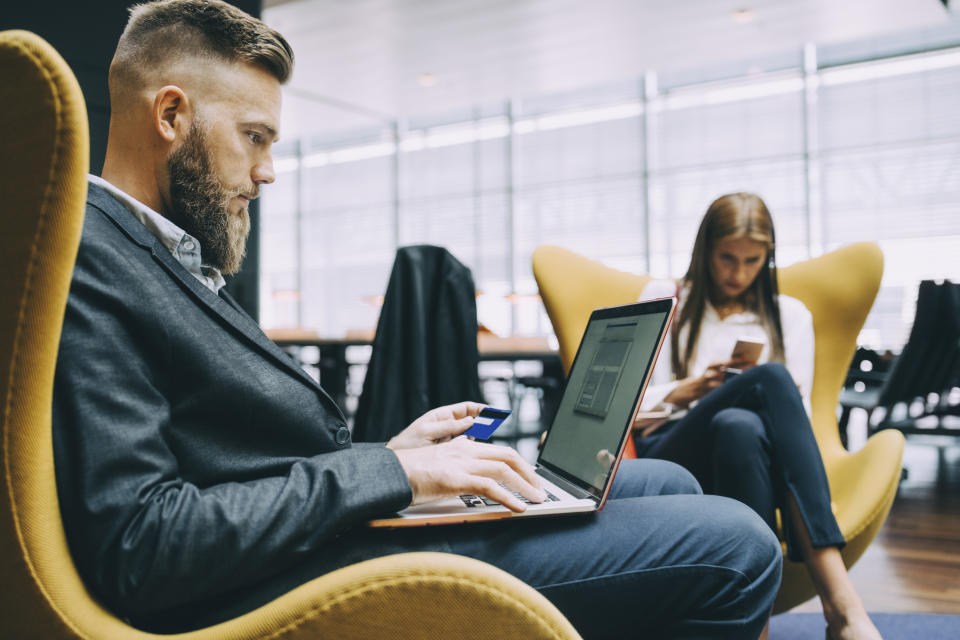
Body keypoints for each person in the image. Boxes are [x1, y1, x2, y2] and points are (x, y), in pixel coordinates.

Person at [51, 2, 783, 637]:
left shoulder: (162, 254)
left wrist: (394, 457)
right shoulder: (90, 260)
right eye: (255, 137)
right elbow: (142, 545)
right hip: (301, 583)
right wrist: (392, 472)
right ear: (172, 115)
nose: (268, 171)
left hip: (317, 540)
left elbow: (227, 457)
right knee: (739, 544)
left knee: (671, 485)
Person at [634, 192, 882, 640]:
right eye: (727, 257)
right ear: (705, 249)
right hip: (672, 452)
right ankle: (843, 605)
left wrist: (761, 397)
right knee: (769, 379)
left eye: (753, 260)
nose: (738, 273)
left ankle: (755, 626)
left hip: (749, 452)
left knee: (741, 425)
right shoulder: (665, 297)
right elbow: (628, 412)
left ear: (769, 256)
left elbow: (798, 422)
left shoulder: (790, 315)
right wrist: (689, 389)